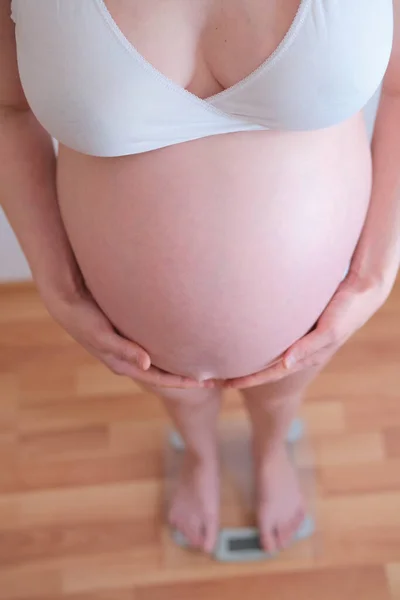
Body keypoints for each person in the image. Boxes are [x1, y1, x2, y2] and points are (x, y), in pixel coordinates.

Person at [1, 0, 399, 556]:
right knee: (178, 393)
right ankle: (201, 454)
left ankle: (270, 452)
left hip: (314, 316)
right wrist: (57, 283)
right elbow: (8, 109)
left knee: (283, 391)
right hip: (138, 336)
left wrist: (376, 273)